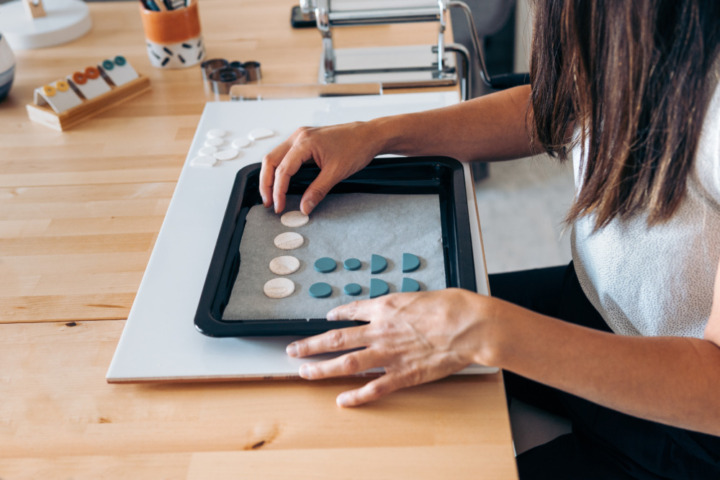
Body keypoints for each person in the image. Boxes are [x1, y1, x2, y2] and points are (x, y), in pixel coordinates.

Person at [260, 1, 720, 478]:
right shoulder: (630, 22)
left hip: (683, 428)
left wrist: (488, 330)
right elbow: (563, 107)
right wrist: (378, 135)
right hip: (589, 310)